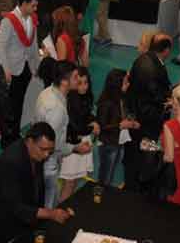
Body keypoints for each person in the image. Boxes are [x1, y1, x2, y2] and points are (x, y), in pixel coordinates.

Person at [0, 122, 74, 243]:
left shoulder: (35, 154)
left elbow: (37, 187)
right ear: (30, 141)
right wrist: (50, 213)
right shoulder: (10, 162)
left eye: (50, 151)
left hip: (21, 219)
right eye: (43, 149)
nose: (47, 155)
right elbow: (15, 206)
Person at [35, 61, 89, 208]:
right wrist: (76, 148)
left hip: (43, 159)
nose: (79, 79)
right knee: (49, 204)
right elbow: (54, 145)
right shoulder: (56, 109)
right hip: (49, 163)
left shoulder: (47, 92)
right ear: (65, 81)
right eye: (76, 76)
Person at [123, 36, 173, 191]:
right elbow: (156, 94)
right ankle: (138, 184)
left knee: (133, 151)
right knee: (144, 153)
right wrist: (169, 100)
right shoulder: (153, 67)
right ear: (166, 51)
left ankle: (131, 181)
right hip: (148, 119)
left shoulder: (141, 59)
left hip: (136, 114)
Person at [0, 0, 41, 141]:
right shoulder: (8, 21)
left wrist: (36, 66)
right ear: (23, 3)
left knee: (19, 102)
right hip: (13, 69)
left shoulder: (32, 19)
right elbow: (1, 47)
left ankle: (15, 133)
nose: (35, 9)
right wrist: (5, 69)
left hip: (26, 67)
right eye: (33, 5)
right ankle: (8, 137)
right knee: (10, 106)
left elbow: (34, 43)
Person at [57, 67, 96, 203]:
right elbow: (76, 127)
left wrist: (92, 121)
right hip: (73, 145)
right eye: (79, 83)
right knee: (69, 183)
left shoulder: (84, 97)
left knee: (73, 182)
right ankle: (60, 210)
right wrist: (91, 127)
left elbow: (86, 116)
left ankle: (65, 208)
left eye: (86, 82)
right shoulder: (71, 100)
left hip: (79, 142)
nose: (84, 87)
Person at [94, 69, 136, 187]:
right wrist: (120, 125)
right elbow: (101, 127)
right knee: (105, 178)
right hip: (108, 144)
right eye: (125, 82)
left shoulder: (121, 98)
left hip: (117, 142)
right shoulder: (106, 103)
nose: (128, 84)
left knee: (110, 174)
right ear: (117, 85)